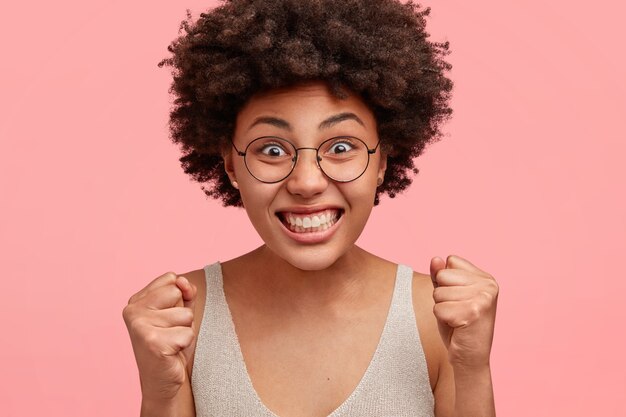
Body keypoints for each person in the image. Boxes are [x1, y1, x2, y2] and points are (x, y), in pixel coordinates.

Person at [122, 0, 499, 416]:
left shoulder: (439, 318)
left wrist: (471, 369)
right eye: (271, 149)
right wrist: (159, 394)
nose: (306, 182)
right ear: (231, 164)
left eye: (341, 147)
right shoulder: (182, 320)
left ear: (383, 161)